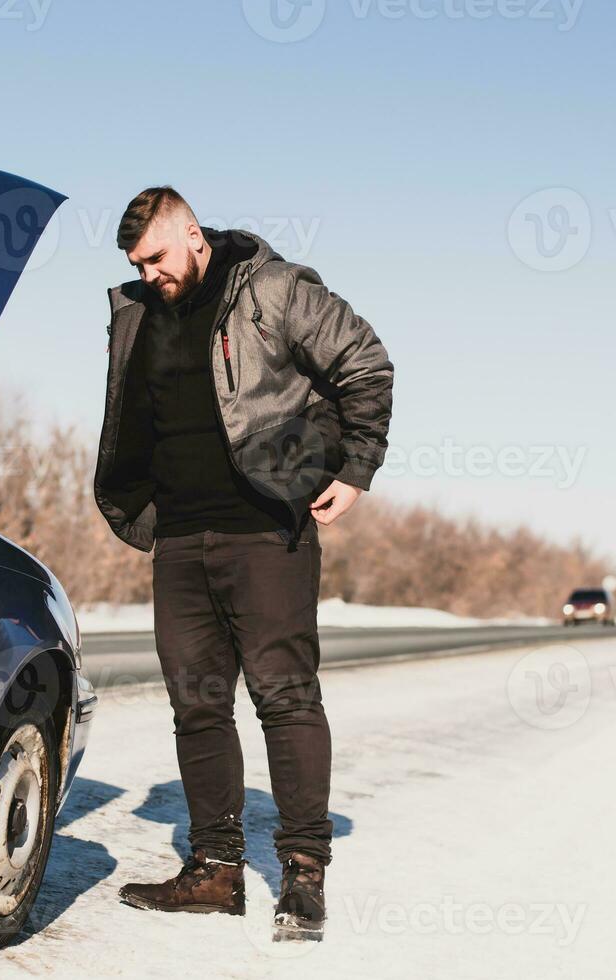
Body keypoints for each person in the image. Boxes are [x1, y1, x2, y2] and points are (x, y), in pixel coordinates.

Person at [92, 186, 394, 941]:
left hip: (266, 528)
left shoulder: (273, 289)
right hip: (181, 539)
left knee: (284, 696)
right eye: (136, 263)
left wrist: (354, 469)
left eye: (156, 257)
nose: (149, 273)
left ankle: (302, 875)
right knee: (197, 705)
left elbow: (366, 362)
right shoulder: (135, 312)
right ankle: (215, 871)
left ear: (192, 235)